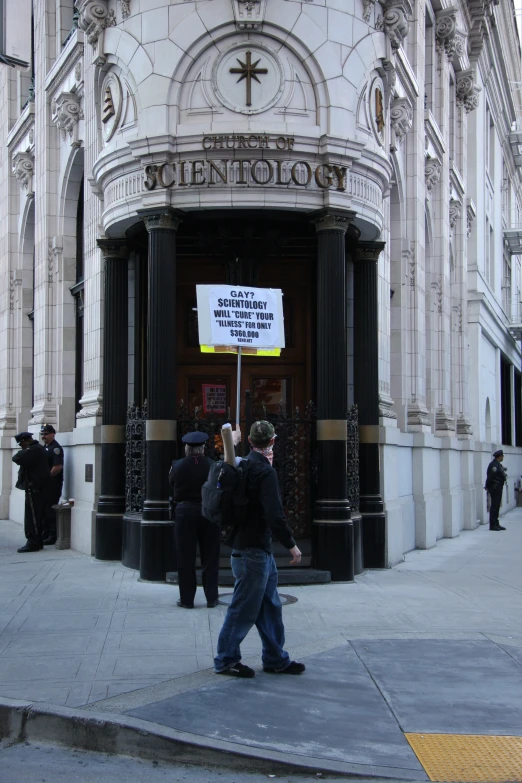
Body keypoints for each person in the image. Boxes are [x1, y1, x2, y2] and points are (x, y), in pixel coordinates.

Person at [214, 420, 305, 678]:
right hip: (253, 552)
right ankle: (226, 659)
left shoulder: (240, 465)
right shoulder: (264, 472)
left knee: (270, 605)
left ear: (251, 442)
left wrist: (232, 441)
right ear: (273, 441)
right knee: (243, 609)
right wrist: (292, 545)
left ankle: (276, 658)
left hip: (252, 550)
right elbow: (275, 515)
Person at [169, 431, 220, 609]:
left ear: (186, 448)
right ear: (203, 448)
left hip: (184, 513)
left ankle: (187, 599)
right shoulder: (213, 466)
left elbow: (172, 483)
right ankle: (212, 597)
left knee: (185, 557)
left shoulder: (177, 466)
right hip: (208, 512)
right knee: (210, 556)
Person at [12, 432, 51, 553]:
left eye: (21, 443)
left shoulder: (34, 450)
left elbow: (17, 457)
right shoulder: (36, 449)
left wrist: (26, 450)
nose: (21, 446)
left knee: (32, 517)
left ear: (25, 440)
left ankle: (33, 542)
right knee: (36, 516)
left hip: (35, 489)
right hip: (36, 489)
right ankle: (36, 541)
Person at [40, 424, 64, 545]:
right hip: (45, 484)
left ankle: (52, 535)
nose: (43, 436)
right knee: (44, 510)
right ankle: (46, 533)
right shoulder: (45, 447)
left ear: (53, 434)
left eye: (46, 434)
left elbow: (58, 466)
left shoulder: (56, 448)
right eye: (42, 434)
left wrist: (48, 479)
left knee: (50, 510)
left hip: (52, 484)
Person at [485, 449, 507, 531]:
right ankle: (493, 525)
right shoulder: (494, 465)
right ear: (499, 457)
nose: (503, 457)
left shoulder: (498, 465)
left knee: (497, 506)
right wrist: (487, 486)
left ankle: (496, 523)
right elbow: (490, 477)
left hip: (498, 487)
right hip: (495, 488)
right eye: (502, 456)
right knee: (494, 506)